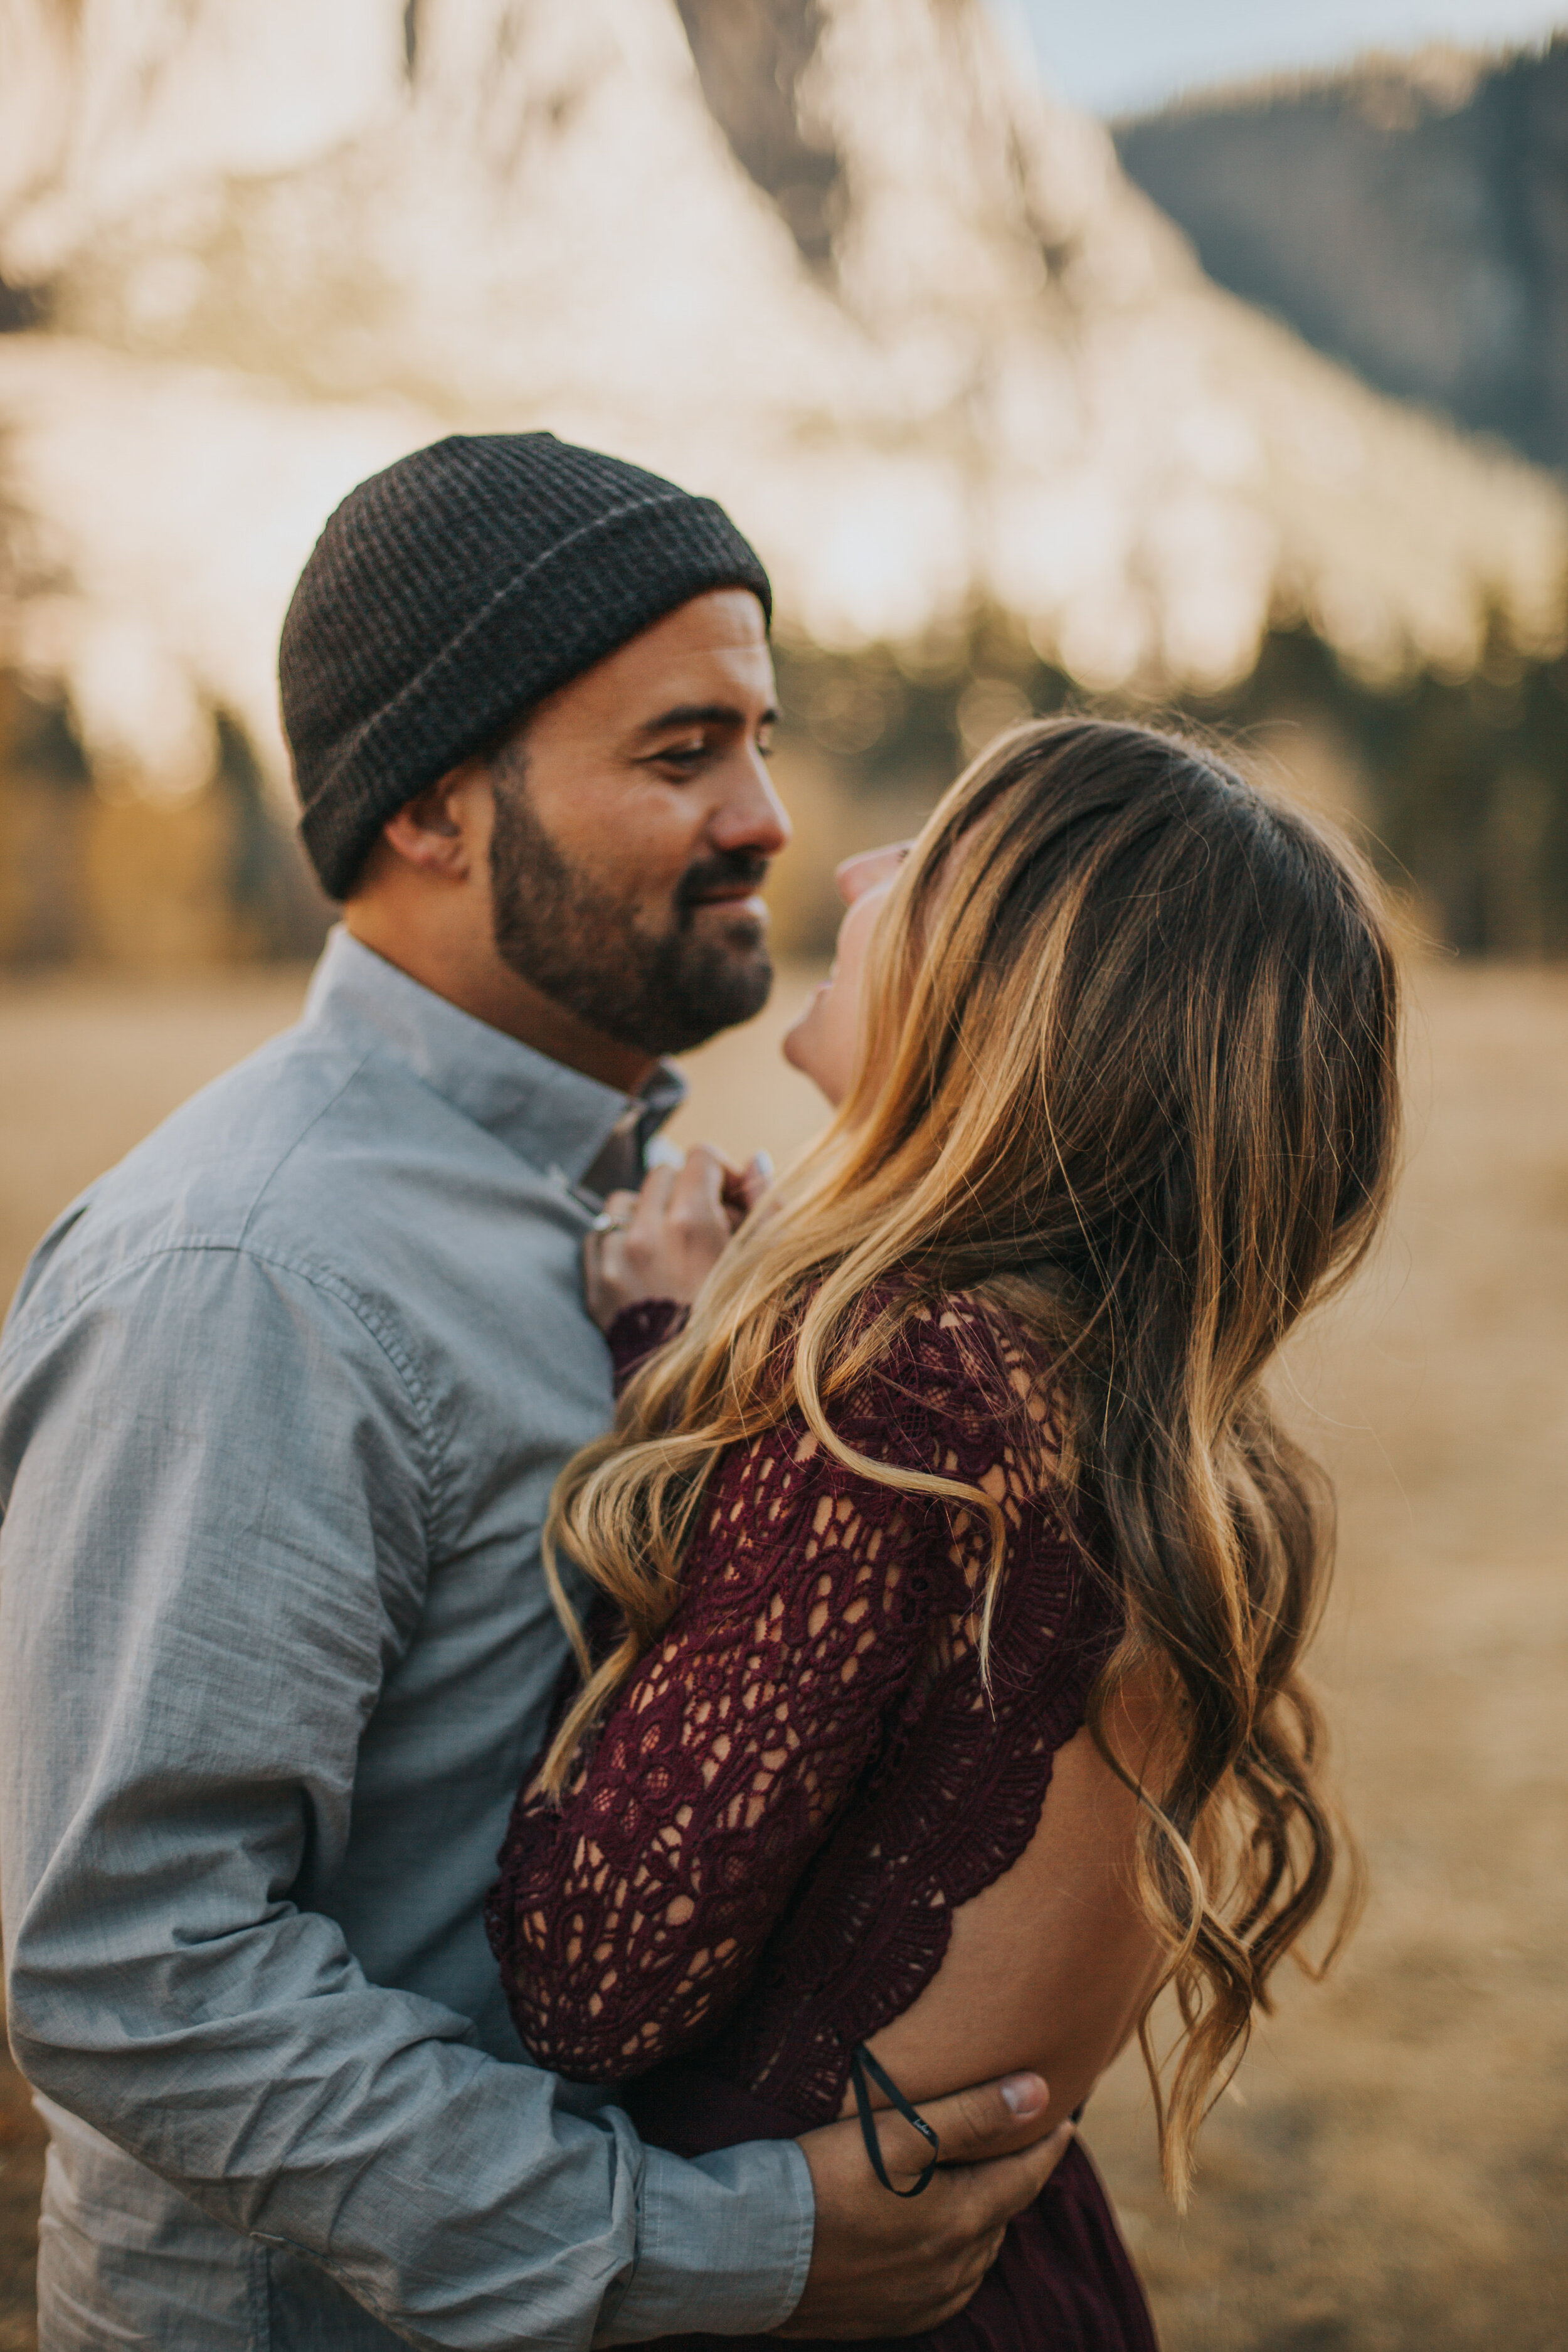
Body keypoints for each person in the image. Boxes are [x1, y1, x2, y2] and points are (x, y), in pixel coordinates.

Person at [0, 434, 1071, 2352]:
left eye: (759, 733)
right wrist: (713, 2251)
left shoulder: (664, 1205)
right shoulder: (251, 1275)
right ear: (430, 807)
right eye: (679, 755)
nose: (763, 814)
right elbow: (135, 1970)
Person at [486, 717, 1404, 2349]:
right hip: (1028, 2286)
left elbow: (593, 1974)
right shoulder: (1162, 1439)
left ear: (1024, 995)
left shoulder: (903, 1405)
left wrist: (659, 1372)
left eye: (930, 857)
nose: (849, 869)